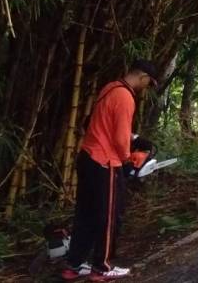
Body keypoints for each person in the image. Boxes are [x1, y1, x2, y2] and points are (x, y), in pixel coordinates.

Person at [63, 60, 158, 281]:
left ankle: (73, 264)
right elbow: (118, 138)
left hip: (88, 156)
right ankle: (101, 268)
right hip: (105, 162)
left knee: (85, 214)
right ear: (143, 77)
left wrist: (133, 140)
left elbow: (105, 125)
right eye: (149, 83)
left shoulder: (110, 87)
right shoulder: (125, 97)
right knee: (108, 217)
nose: (147, 88)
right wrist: (128, 161)